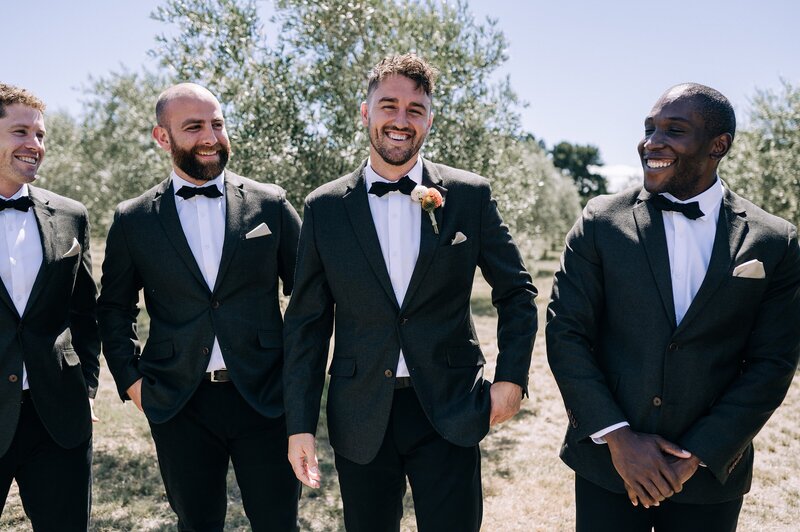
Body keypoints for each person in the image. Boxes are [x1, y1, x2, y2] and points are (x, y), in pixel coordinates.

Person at [282, 53, 538, 531]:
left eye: (414, 110)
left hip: (451, 406)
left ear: (429, 119)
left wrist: (512, 379)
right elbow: (306, 324)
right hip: (361, 413)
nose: (401, 121)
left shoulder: (469, 195)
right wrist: (300, 424)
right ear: (365, 112)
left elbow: (517, 293)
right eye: (389, 106)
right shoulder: (324, 207)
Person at [546, 83, 800, 532]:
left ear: (718, 145)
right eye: (649, 128)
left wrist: (698, 454)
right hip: (608, 468)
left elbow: (773, 362)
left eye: (674, 130)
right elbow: (566, 333)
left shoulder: (774, 240)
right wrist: (619, 438)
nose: (652, 142)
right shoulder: (600, 221)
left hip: (708, 476)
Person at [97, 83, 302, 531]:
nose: (210, 136)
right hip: (178, 402)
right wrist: (132, 382)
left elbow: (309, 297)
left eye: (217, 124)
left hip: (266, 397)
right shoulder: (133, 219)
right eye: (194, 127)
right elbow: (113, 308)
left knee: (278, 521)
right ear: (162, 137)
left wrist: (299, 376)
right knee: (197, 523)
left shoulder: (270, 204)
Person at [0, 83, 100, 531]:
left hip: (58, 415)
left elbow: (85, 312)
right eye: (21, 132)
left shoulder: (70, 215)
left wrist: (87, 388)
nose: (34, 145)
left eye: (40, 135)